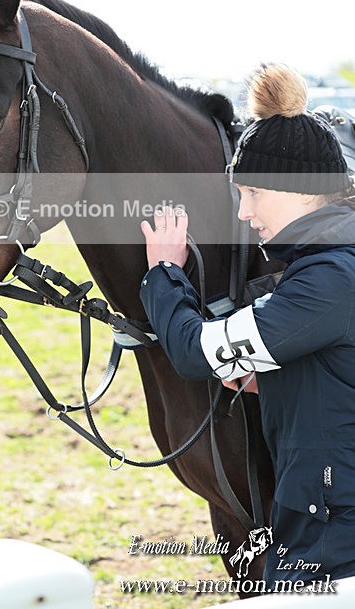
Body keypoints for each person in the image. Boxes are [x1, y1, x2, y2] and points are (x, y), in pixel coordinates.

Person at [140, 63, 355, 587]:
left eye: (254, 192)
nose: (243, 212)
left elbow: (196, 352)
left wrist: (164, 273)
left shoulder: (327, 281)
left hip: (332, 539)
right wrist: (280, 379)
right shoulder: (330, 266)